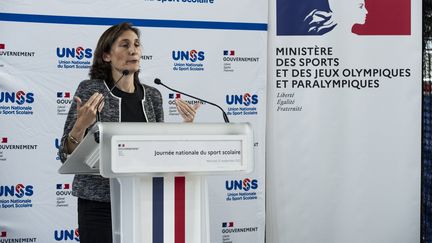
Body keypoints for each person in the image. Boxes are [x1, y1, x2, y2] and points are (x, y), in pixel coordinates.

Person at [58, 22, 199, 243]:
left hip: (144, 199)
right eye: (124, 45)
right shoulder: (91, 90)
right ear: (107, 56)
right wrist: (80, 125)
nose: (133, 50)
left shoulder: (153, 96)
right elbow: (65, 155)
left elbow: (159, 151)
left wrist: (187, 127)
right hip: (99, 205)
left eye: (136, 44)